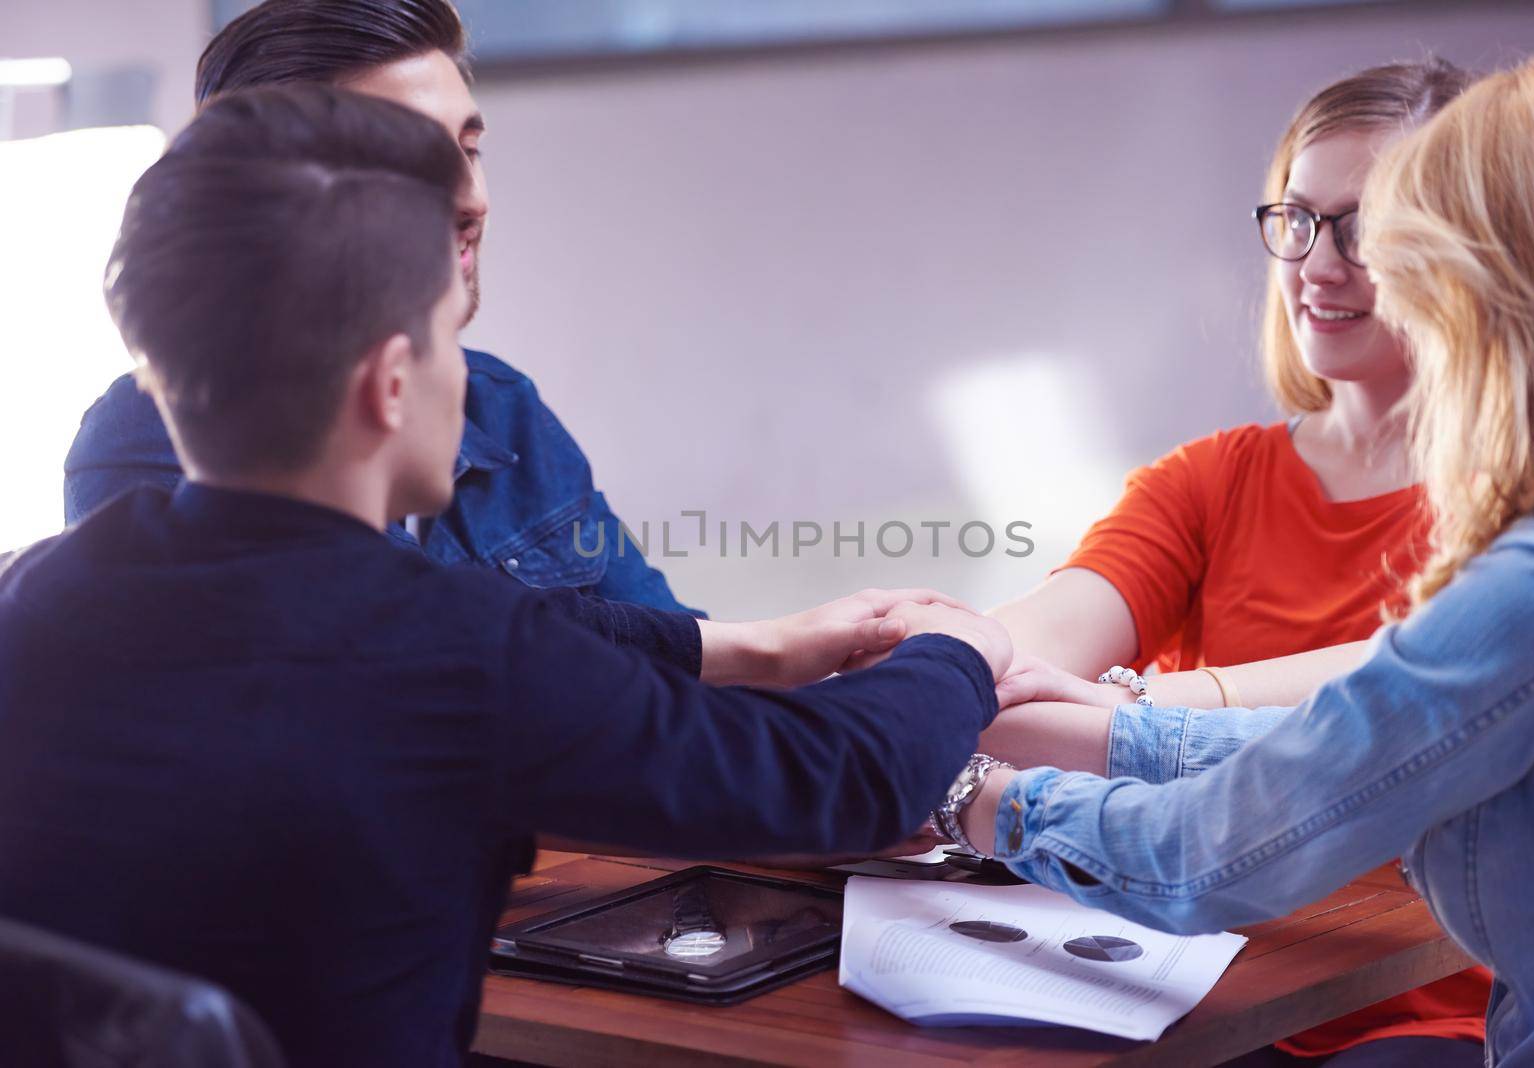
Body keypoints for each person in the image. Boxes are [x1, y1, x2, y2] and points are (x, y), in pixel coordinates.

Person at [0, 86, 1013, 1067]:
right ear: (391, 382)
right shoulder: (446, 655)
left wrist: (742, 646)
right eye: (449, 335)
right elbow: (830, 783)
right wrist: (955, 654)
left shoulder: (40, 595)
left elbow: (521, 637)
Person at [951, 47, 1534, 1068]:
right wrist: (934, 675)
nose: (1323, 263)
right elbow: (1349, 751)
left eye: (1395, 239)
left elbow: (1216, 848)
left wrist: (966, 795)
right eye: (1297, 222)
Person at [62, 0, 698, 614]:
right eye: (412, 159)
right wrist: (733, 654)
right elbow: (394, 648)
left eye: (468, 150)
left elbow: (676, 666)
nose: (472, 197)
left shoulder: (502, 408)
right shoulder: (150, 436)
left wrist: (765, 659)